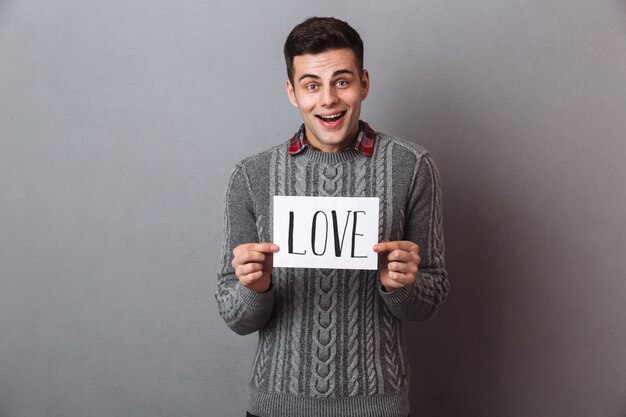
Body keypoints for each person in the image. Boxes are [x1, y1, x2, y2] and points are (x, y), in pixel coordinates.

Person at [215, 16, 449, 417]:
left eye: (342, 81)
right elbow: (235, 316)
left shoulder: (412, 166)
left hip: (377, 405)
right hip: (276, 405)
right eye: (311, 85)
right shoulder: (251, 176)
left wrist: (402, 286)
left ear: (364, 84)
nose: (328, 99)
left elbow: (431, 298)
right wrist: (254, 286)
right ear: (292, 92)